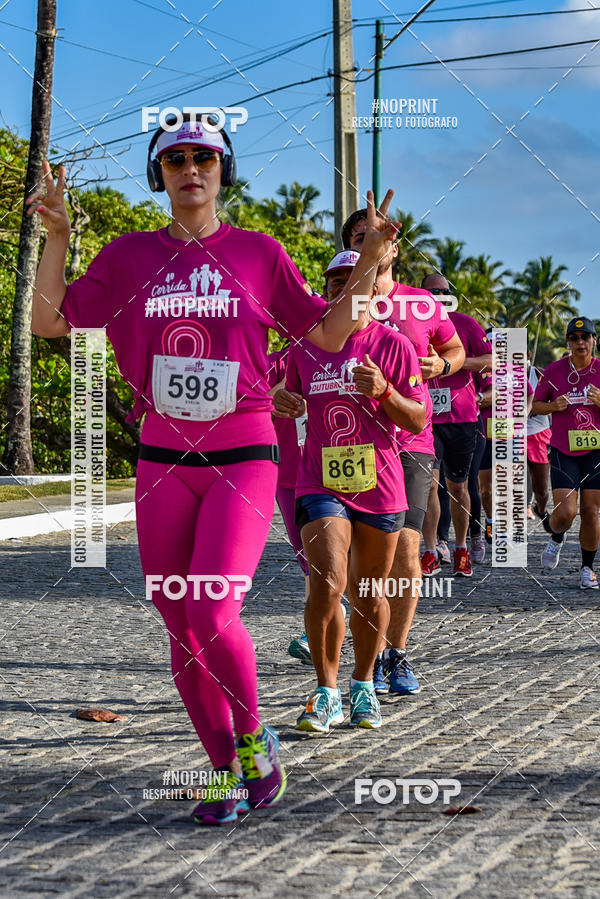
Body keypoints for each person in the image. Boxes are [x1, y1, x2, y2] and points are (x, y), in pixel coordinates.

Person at [28, 114, 400, 823]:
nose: (190, 168)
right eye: (175, 159)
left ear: (223, 169)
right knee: (180, 623)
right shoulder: (128, 256)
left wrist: (374, 265)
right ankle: (225, 769)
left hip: (243, 456)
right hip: (162, 461)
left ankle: (255, 736)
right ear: (159, 175)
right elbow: (52, 319)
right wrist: (57, 239)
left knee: (209, 604)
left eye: (205, 156)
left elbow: (324, 330)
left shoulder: (259, 253)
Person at [275, 250, 427, 731]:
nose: (344, 288)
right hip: (319, 480)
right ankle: (325, 691)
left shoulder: (394, 345)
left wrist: (384, 391)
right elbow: (278, 398)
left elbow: (418, 418)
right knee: (328, 579)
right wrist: (280, 399)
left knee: (368, 590)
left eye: (353, 279)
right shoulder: (305, 346)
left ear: (372, 287)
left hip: (380, 483)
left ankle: (363, 685)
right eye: (335, 281)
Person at [341, 209, 465, 695]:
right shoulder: (339, 302)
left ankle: (396, 653)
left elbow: (454, 351)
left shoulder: (422, 304)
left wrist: (442, 363)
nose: (373, 241)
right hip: (347, 445)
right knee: (356, 562)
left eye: (382, 236)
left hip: (410, 443)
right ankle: (359, 652)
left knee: (407, 554)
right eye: (361, 236)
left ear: (395, 246)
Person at [420, 274, 492, 578]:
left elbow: (492, 359)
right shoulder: (412, 325)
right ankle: (431, 549)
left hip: (463, 418)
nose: (438, 295)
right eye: (431, 291)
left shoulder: (465, 324)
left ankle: (462, 548)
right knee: (428, 486)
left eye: (443, 291)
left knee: (459, 486)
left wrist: (453, 362)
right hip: (425, 418)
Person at [531, 317, 600, 588]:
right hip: (563, 450)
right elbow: (535, 406)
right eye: (575, 338)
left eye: (586, 337)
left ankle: (587, 569)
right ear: (568, 342)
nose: (580, 343)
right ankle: (557, 537)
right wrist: (554, 406)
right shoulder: (554, 371)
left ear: (594, 341)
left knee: (591, 511)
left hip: (596, 451)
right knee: (566, 513)